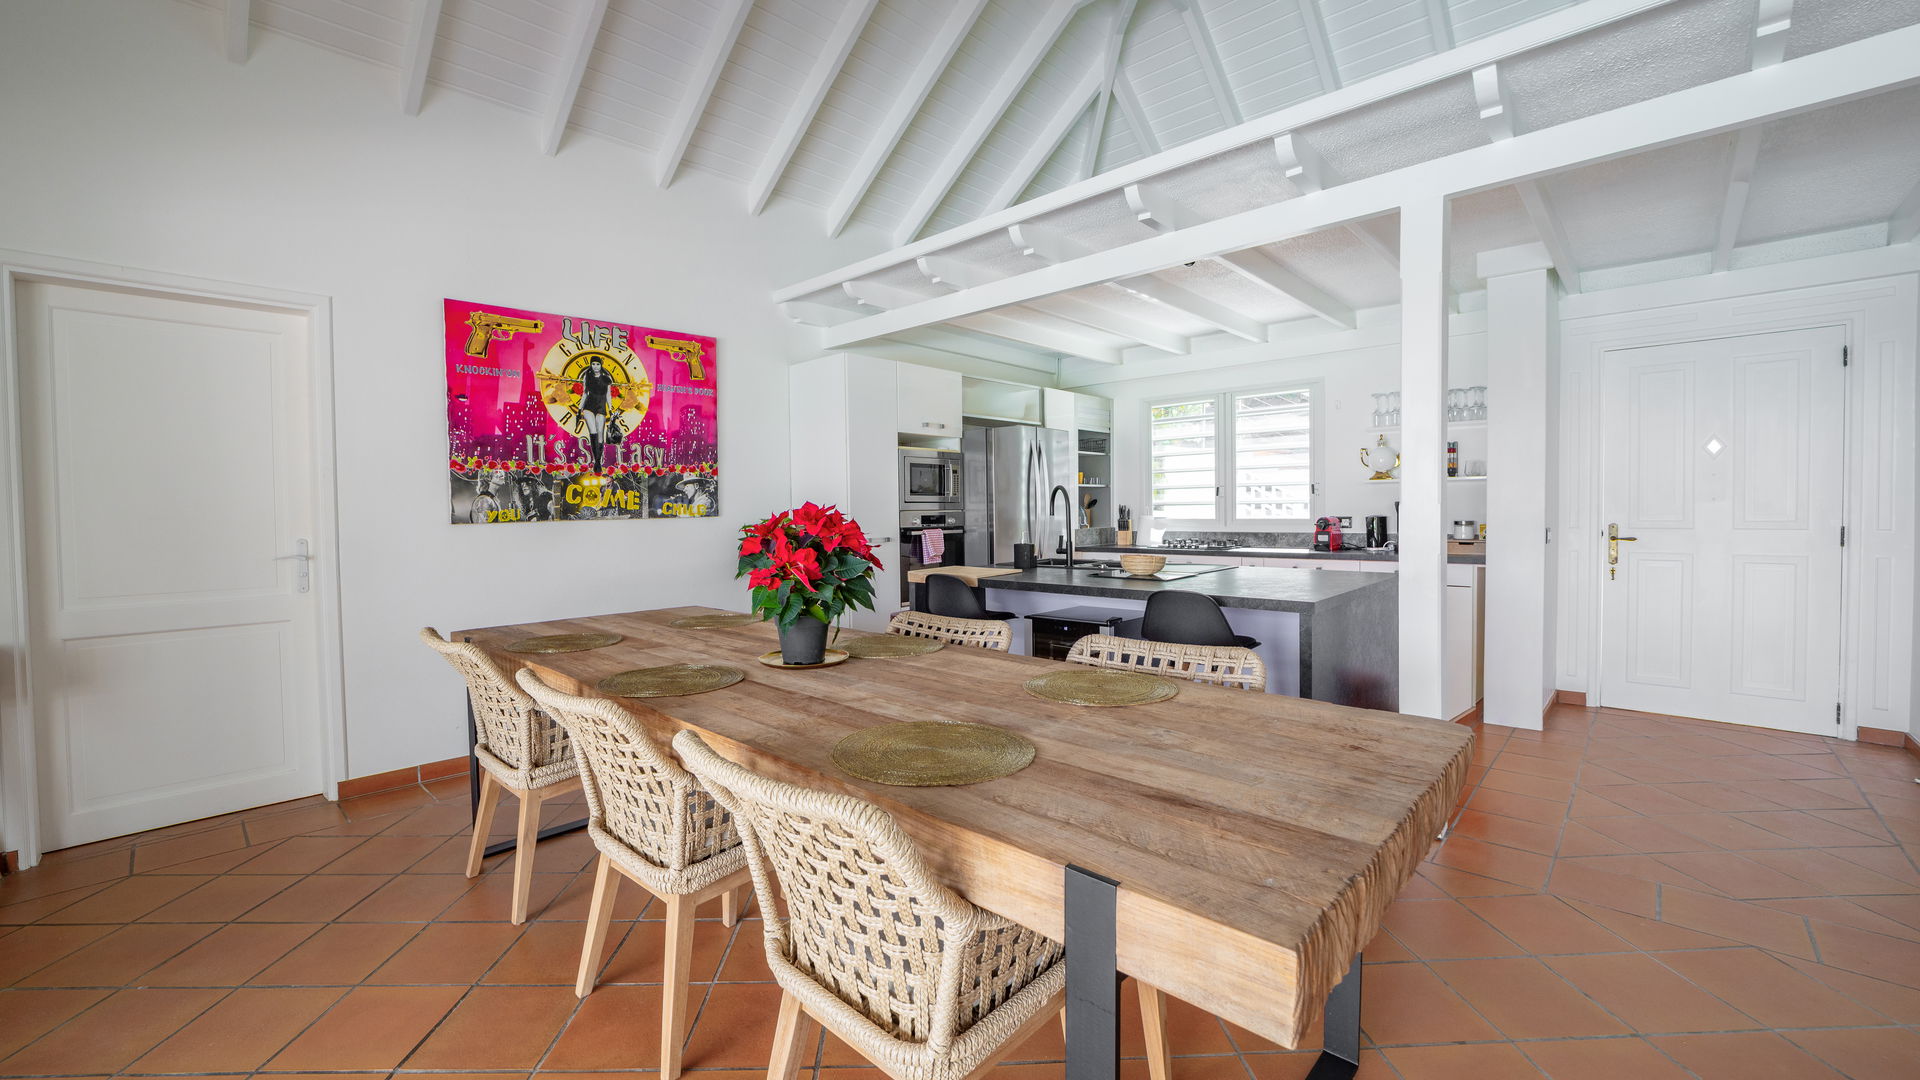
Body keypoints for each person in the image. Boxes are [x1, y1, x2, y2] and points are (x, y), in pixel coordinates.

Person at [578, 355, 614, 471]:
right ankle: (596, 461)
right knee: (593, 432)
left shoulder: (606, 378)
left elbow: (608, 395)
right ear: (591, 365)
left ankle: (598, 460)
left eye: (597, 364)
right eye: (593, 364)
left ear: (601, 365)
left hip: (601, 406)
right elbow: (584, 393)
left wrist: (611, 409)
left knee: (600, 433)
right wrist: (579, 409)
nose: (595, 366)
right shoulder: (587, 376)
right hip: (589, 406)